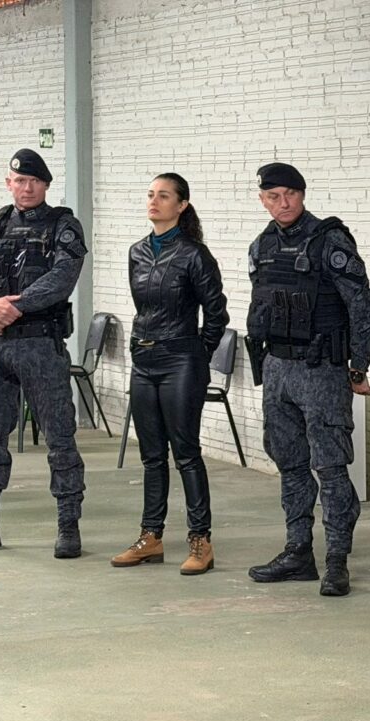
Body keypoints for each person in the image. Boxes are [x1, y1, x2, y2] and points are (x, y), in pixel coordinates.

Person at [244, 162, 370, 597]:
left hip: (322, 370)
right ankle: (298, 551)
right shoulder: (261, 246)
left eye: (290, 194)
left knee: (331, 467)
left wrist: (357, 368)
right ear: (263, 200)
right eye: (273, 196)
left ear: (302, 195)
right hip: (278, 369)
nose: (283, 203)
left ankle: (337, 560)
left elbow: (364, 309)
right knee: (290, 464)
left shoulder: (329, 241)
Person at [0, 149, 87, 558]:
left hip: (40, 347)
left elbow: (62, 278)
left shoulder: (63, 226)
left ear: (45, 185)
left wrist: (11, 308)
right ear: (8, 184)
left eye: (34, 181)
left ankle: (68, 526)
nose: (26, 187)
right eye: (19, 181)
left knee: (60, 439)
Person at [110, 173, 229, 575]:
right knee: (151, 455)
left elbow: (216, 314)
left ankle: (201, 540)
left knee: (186, 453)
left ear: (181, 205)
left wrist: (196, 354)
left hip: (181, 360)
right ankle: (151, 537)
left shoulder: (195, 255)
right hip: (144, 361)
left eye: (163, 196)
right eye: (151, 194)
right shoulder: (137, 252)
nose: (154, 201)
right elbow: (144, 307)